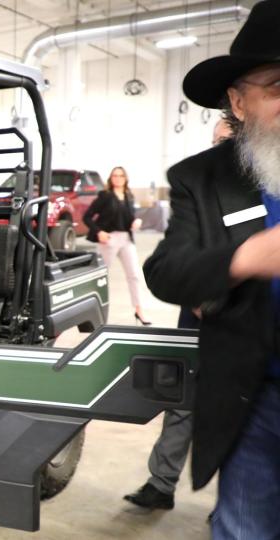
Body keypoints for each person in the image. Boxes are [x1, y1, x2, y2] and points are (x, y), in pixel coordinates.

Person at [143, 1, 280, 537]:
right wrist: (245, 260)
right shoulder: (203, 178)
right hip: (257, 399)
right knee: (246, 526)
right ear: (238, 102)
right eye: (276, 86)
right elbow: (168, 270)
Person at [124, 119, 234, 512]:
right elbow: (174, 260)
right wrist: (196, 293)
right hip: (195, 320)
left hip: (243, 327)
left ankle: (231, 499)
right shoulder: (197, 191)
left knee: (239, 409)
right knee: (181, 399)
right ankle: (161, 483)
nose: (219, 148)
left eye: (228, 140)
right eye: (215, 140)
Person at [82, 166, 151, 325]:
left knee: (134, 275)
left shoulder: (128, 195)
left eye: (121, 176)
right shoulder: (105, 196)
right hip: (109, 239)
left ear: (125, 178)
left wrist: (135, 222)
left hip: (126, 239)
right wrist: (99, 232)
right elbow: (87, 217)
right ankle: (93, 312)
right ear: (111, 178)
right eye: (115, 176)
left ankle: (139, 310)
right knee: (100, 277)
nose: (118, 178)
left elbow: (129, 217)